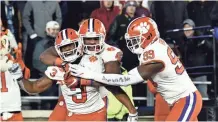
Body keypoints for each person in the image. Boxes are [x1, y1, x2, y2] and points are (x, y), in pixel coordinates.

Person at [70, 17, 203, 121]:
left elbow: (126, 80)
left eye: (136, 39)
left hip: (185, 99)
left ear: (148, 36)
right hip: (177, 100)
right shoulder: (155, 45)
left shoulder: (155, 53)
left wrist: (91, 75)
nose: (132, 43)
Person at [40, 19, 138, 121]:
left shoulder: (110, 53)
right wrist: (63, 63)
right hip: (71, 97)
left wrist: (82, 81)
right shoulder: (75, 45)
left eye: (95, 38)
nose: (91, 42)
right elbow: (44, 56)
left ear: (103, 37)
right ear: (80, 38)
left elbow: (111, 82)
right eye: (87, 39)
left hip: (95, 99)